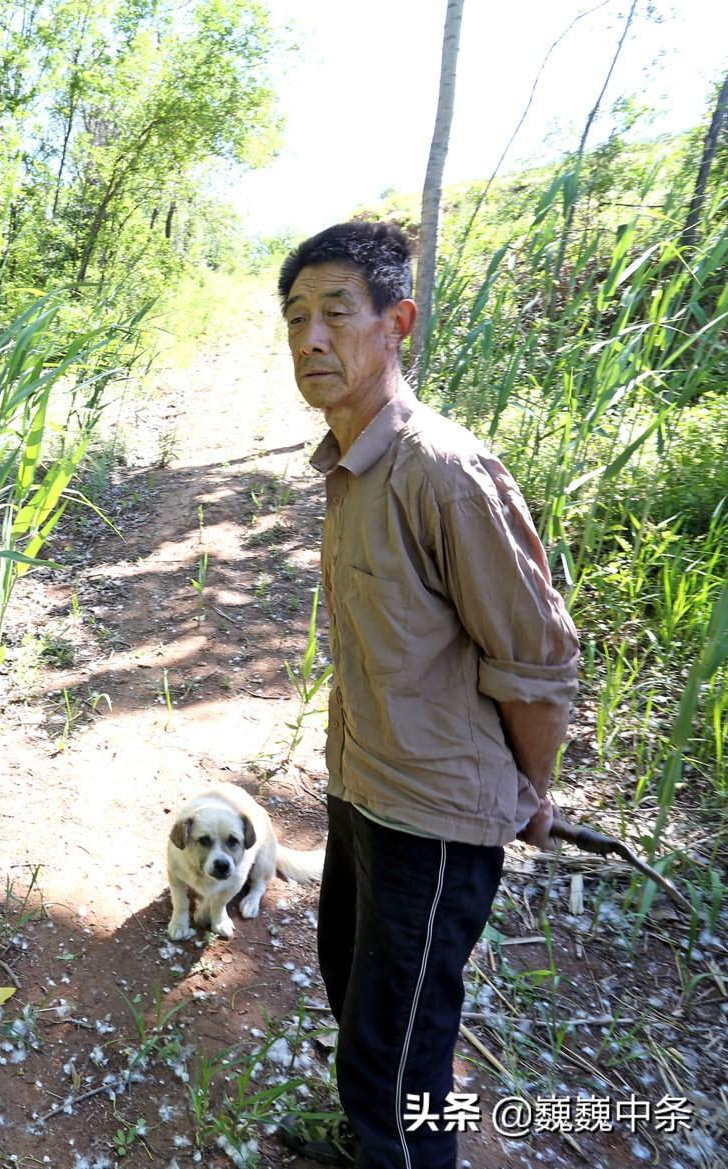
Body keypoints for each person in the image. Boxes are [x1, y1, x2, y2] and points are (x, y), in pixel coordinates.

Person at [275, 222, 580, 1169]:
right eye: (294, 319)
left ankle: (398, 1151)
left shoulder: (440, 473)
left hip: (433, 816)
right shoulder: (347, 464)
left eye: (335, 313)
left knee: (400, 1046)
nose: (311, 339)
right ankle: (374, 1137)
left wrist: (531, 792)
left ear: (395, 323)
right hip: (363, 781)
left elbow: (535, 657)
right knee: (357, 989)